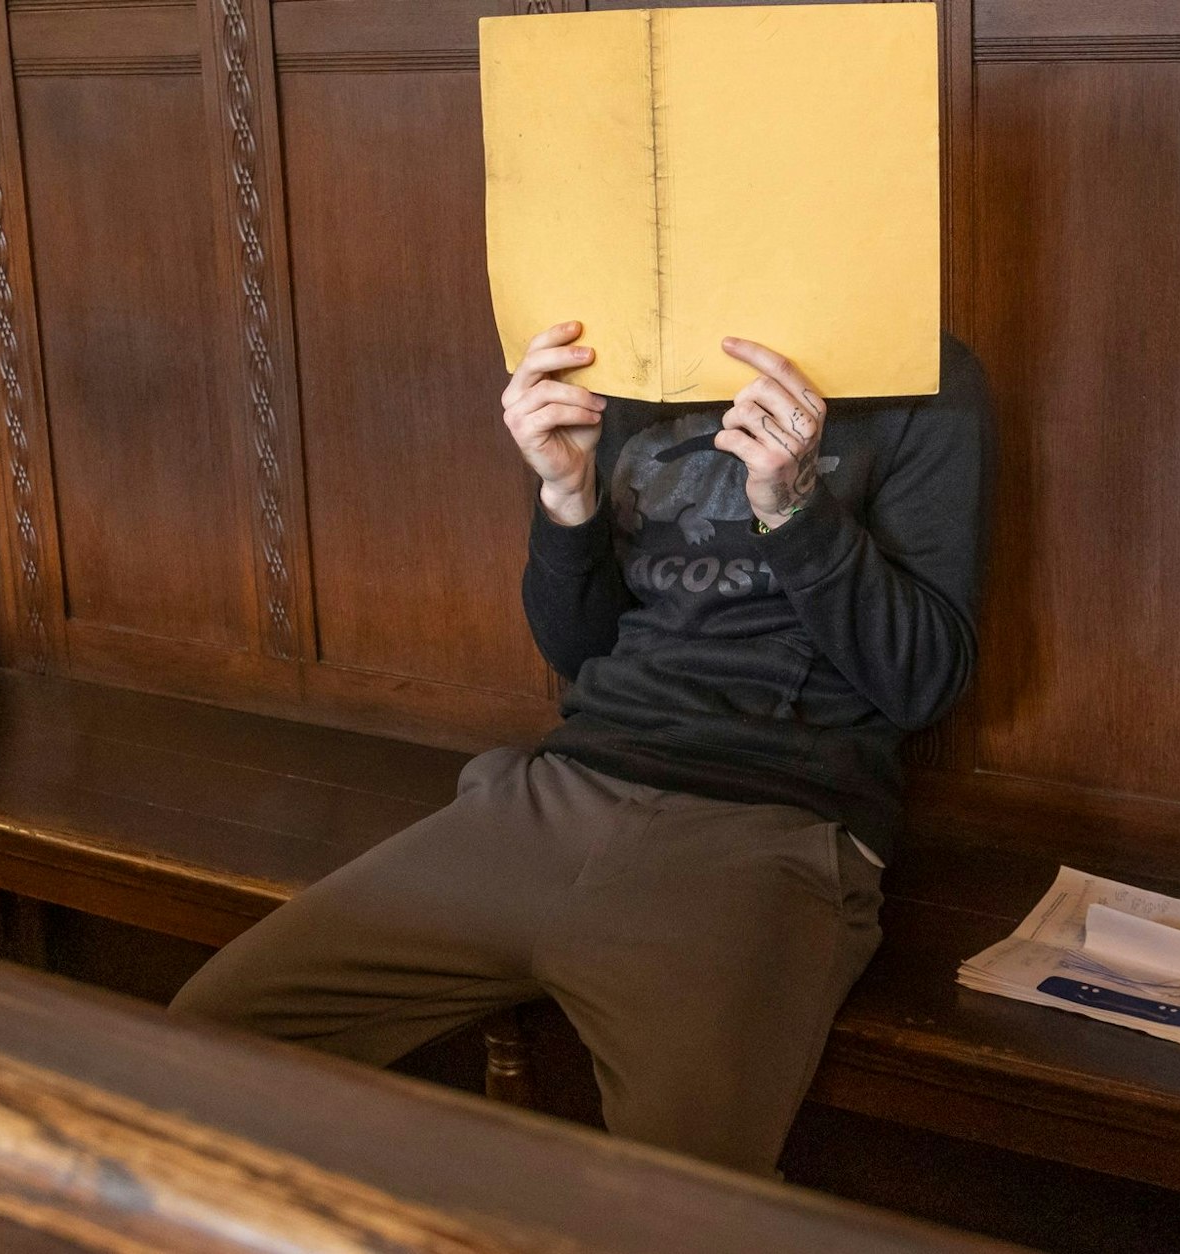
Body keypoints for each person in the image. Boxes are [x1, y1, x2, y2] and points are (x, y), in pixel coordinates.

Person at [170, 322, 993, 1176]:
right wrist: (567, 497)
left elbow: (922, 682)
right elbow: (579, 650)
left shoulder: (923, 371)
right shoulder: (632, 346)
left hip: (778, 821)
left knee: (683, 1202)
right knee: (202, 1049)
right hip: (561, 786)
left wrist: (793, 508)